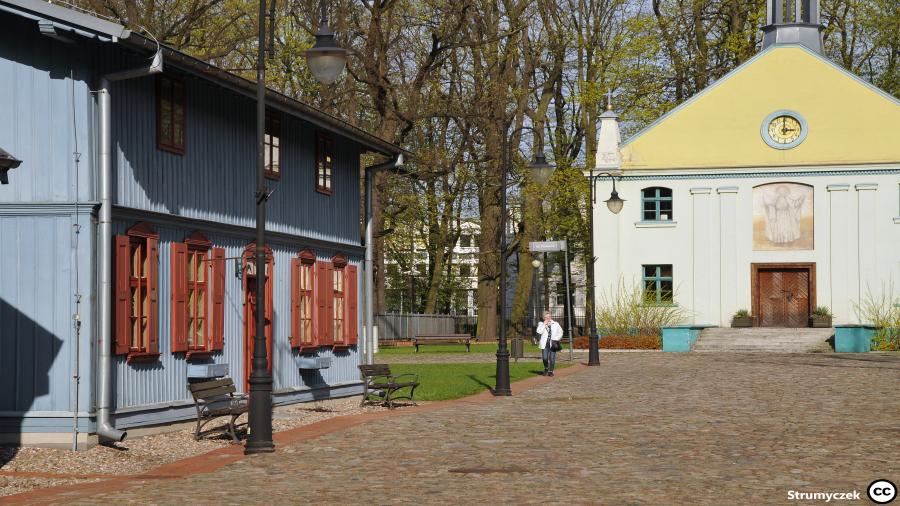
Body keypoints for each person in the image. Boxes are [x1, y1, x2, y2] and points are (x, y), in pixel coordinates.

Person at [536, 311, 563, 376]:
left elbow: (561, 332)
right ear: (544, 318)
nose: (548, 318)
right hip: (545, 344)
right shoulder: (541, 324)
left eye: (549, 316)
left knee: (552, 357)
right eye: (546, 317)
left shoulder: (555, 324)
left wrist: (557, 338)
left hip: (553, 343)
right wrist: (544, 324)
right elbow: (539, 331)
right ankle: (546, 368)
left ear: (551, 317)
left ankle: (551, 371)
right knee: (545, 358)